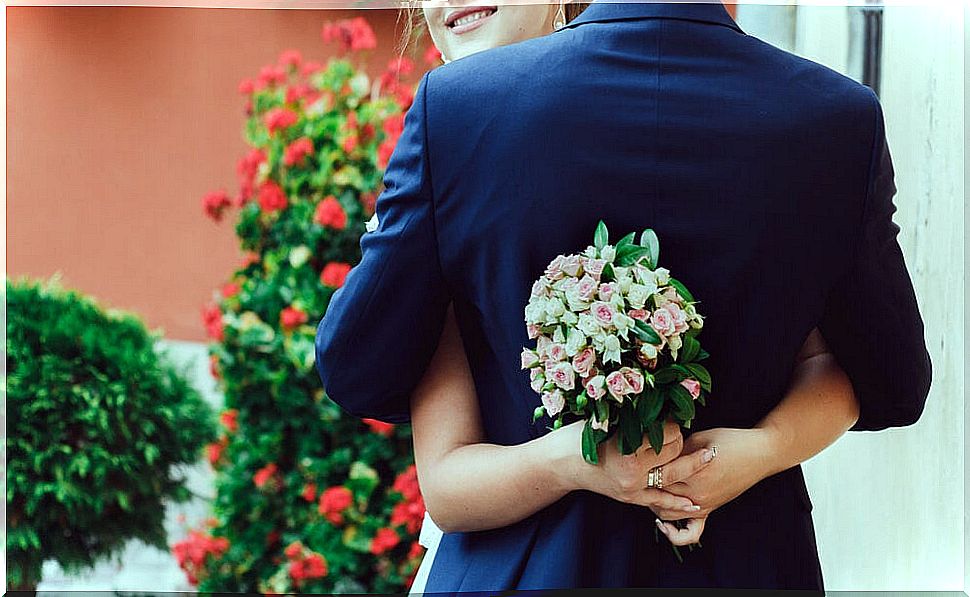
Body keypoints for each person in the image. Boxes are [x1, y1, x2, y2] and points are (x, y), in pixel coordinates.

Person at [315, 0, 932, 591]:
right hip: (749, 561)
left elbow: (356, 364)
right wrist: (755, 448)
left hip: (526, 568)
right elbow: (893, 380)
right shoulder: (837, 119)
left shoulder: (456, 110)